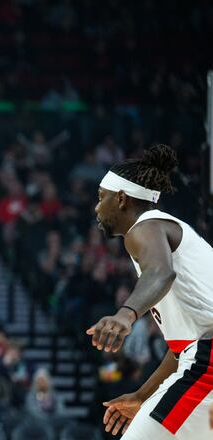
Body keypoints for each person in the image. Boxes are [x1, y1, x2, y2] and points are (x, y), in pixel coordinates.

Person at [87, 144, 213, 439]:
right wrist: (142, 395)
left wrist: (125, 315)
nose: (96, 207)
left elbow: (161, 272)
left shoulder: (145, 227)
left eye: (101, 197)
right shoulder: (167, 235)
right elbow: (183, 348)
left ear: (121, 199)